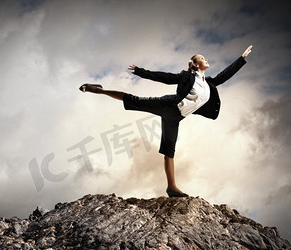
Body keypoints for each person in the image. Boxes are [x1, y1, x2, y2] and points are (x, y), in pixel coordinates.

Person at [79, 45, 253, 198]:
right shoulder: (187, 76)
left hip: (177, 117)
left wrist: (241, 58)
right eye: (202, 58)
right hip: (169, 105)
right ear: (194, 64)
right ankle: (98, 90)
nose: (206, 59)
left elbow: (224, 75)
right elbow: (165, 77)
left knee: (169, 151)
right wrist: (141, 72)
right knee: (135, 100)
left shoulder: (208, 83)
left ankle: (171, 187)